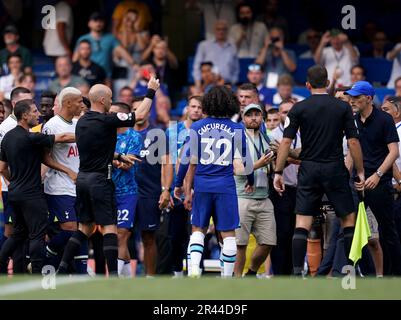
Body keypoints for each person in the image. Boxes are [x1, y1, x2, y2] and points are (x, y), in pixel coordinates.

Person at [57, 77, 160, 276]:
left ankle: (61, 268)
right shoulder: (106, 120)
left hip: (83, 179)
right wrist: (151, 91)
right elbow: (139, 115)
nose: (112, 102)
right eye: (111, 99)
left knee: (84, 228)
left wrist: (119, 155)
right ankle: (112, 275)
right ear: (103, 101)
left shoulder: (82, 122)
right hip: (100, 181)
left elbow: (98, 148)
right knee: (110, 228)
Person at [273, 65, 365, 276]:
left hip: (309, 168)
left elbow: (286, 141)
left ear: (307, 85)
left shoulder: (298, 108)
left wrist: (278, 171)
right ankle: (349, 270)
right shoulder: (342, 108)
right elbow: (353, 141)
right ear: (328, 83)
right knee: (348, 220)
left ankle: (297, 274)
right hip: (334, 168)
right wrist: (360, 171)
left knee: (302, 222)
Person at [182, 85, 253, 278]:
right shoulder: (237, 128)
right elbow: (246, 160)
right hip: (225, 185)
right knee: (228, 233)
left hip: (203, 184)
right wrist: (251, 180)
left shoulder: (197, 126)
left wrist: (180, 185)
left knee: (198, 228)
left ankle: (194, 269)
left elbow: (187, 160)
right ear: (230, 103)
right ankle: (226, 277)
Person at [0, 99, 75, 274]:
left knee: (17, 234)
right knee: (37, 235)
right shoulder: (31, 137)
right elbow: (63, 137)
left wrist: (15, 182)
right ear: (24, 115)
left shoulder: (8, 138)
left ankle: (1, 266)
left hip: (14, 193)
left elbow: (2, 168)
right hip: (32, 195)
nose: (38, 114)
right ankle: (37, 271)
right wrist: (90, 133)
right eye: (34, 111)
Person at [346, 81, 401, 275]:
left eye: (356, 97)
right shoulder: (351, 120)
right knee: (351, 231)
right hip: (357, 183)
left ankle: (394, 276)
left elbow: (394, 152)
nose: (352, 100)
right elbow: (352, 151)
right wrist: (346, 177)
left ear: (368, 98)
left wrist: (377, 175)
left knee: (388, 232)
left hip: (380, 183)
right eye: (350, 97)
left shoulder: (384, 120)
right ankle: (365, 275)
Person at [43, 87, 86, 272]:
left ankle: (78, 272)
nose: (82, 105)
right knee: (70, 229)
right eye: (79, 101)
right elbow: (44, 157)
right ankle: (48, 252)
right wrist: (68, 171)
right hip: (58, 187)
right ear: (68, 103)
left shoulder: (78, 124)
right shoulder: (52, 125)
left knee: (82, 230)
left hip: (78, 186)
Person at [133, 95, 173, 276]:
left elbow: (166, 164)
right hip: (125, 192)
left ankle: (150, 278)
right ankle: (121, 277)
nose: (137, 113)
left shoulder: (158, 134)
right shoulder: (122, 134)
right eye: (134, 110)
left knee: (148, 238)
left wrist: (166, 190)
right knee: (120, 234)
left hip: (149, 193)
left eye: (141, 109)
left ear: (148, 111)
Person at [234, 103, 276, 277]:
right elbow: (238, 170)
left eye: (257, 115)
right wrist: (261, 163)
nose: (253, 118)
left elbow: (273, 165)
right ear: (243, 118)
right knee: (240, 244)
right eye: (249, 115)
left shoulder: (267, 138)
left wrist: (279, 156)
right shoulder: (237, 139)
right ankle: (236, 281)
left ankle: (251, 272)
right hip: (242, 197)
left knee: (269, 242)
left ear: (262, 118)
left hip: (263, 196)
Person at [168, 95, 203, 277]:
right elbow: (168, 162)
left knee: (199, 233)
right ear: (187, 108)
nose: (196, 110)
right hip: (178, 190)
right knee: (176, 235)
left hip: (201, 190)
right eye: (193, 106)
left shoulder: (207, 131)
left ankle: (197, 271)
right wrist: (166, 189)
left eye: (199, 107)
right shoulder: (173, 131)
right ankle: (176, 272)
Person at [109, 102, 142, 277]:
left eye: (113, 113)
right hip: (106, 191)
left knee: (121, 234)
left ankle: (113, 277)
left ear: (123, 116)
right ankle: (129, 278)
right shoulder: (105, 133)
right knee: (114, 236)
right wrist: (116, 160)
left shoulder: (134, 137)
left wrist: (109, 159)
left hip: (127, 192)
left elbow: (128, 165)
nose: (108, 115)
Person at [269, 99, 301, 275]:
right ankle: (281, 273)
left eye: (290, 111)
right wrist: (295, 157)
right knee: (282, 234)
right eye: (283, 112)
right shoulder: (273, 135)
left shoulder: (306, 132)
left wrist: (285, 155)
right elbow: (273, 166)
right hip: (282, 189)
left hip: (303, 189)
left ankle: (297, 271)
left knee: (300, 232)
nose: (286, 115)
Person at [74, 12, 135, 82]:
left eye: (101, 21)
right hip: (85, 77)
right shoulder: (82, 39)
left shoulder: (110, 38)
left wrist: (134, 64)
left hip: (105, 78)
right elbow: (75, 59)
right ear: (89, 23)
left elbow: (122, 52)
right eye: (95, 21)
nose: (98, 23)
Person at [192, 20, 239, 91]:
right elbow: (197, 66)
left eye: (224, 29)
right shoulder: (204, 45)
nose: (221, 31)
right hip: (209, 85)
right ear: (214, 30)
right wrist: (198, 85)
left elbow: (236, 67)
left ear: (227, 31)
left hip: (228, 85)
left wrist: (233, 82)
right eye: (218, 29)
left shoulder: (232, 45)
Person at [382, 96, 401, 244]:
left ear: (397, 113)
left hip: (396, 189)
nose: (382, 113)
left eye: (386, 110)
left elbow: (391, 158)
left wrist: (400, 180)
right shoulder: (389, 130)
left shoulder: (397, 132)